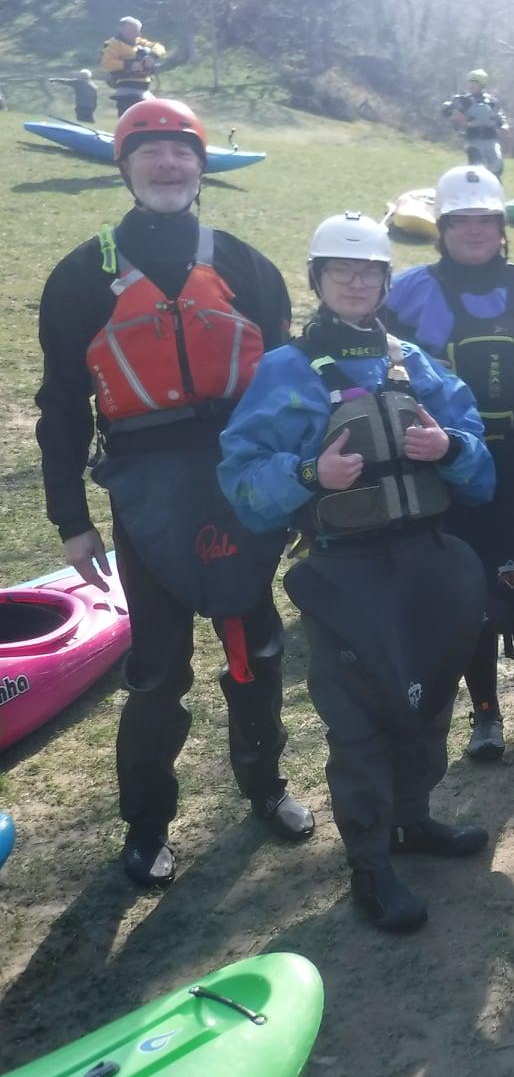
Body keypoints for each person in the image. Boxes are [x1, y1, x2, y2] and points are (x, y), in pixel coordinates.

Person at [34, 98, 312, 890]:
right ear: (123, 167)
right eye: (149, 152)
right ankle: (148, 824)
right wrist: (71, 521)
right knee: (158, 670)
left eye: (181, 153)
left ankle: (266, 787)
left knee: (255, 651)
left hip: (240, 478)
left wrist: (294, 489)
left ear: (201, 168)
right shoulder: (82, 275)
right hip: (146, 486)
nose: (167, 165)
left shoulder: (245, 263)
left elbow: (289, 390)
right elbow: (59, 406)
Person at [219, 213, 496, 934]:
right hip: (347, 574)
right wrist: (312, 472)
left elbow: (481, 470)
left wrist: (451, 448)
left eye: (367, 270)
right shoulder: (285, 371)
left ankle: (414, 820)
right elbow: (243, 482)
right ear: (316, 280)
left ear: (384, 282)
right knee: (362, 721)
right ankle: (371, 862)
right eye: (339, 270)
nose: (354, 281)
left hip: (425, 563)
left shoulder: (417, 364)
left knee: (430, 700)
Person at [384, 165, 514, 762]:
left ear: (501, 226)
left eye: (485, 220)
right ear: (442, 228)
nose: (473, 231)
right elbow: (375, 363)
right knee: (469, 593)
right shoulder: (408, 290)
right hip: (452, 462)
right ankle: (485, 715)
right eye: (460, 221)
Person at [441, 70, 508, 180]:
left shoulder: (492, 102)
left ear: (482, 85)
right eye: (470, 83)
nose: (471, 86)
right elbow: (446, 112)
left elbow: (500, 118)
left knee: (497, 167)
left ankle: (495, 192)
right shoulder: (463, 100)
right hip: (473, 140)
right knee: (477, 170)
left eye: (474, 83)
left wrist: (504, 125)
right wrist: (454, 113)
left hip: (491, 139)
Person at [99, 16, 166, 114]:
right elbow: (106, 63)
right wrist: (128, 65)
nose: (138, 34)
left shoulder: (140, 42)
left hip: (144, 88)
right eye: (134, 31)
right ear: (123, 30)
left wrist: (153, 56)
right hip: (127, 90)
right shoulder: (113, 44)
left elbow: (159, 47)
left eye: (138, 31)